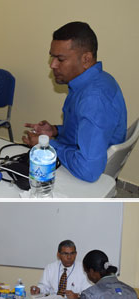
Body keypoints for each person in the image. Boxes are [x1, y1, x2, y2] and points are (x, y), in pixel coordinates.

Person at [23, 22, 126, 182]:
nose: (52, 65)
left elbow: (88, 171)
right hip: (83, 156)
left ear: (86, 59)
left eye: (60, 59)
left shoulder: (94, 99)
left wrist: (48, 145)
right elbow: (83, 130)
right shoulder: (96, 80)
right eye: (52, 57)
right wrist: (55, 131)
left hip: (85, 174)